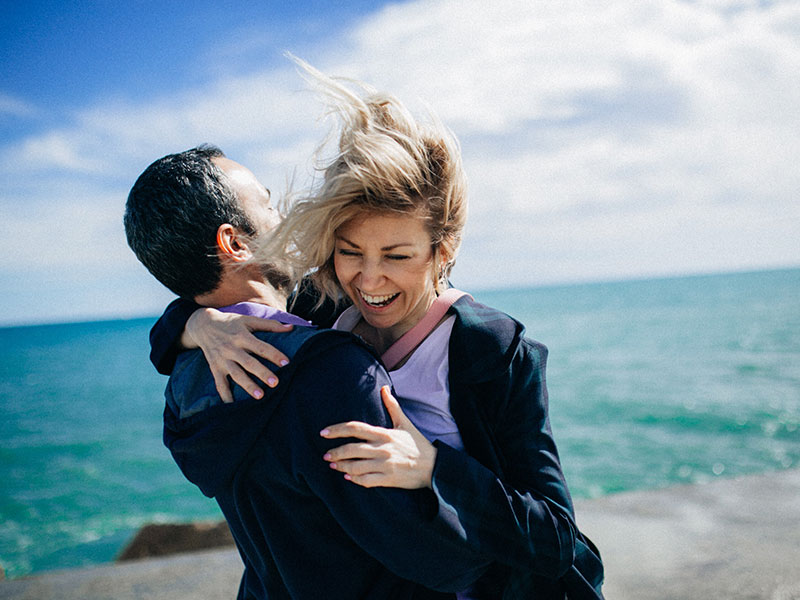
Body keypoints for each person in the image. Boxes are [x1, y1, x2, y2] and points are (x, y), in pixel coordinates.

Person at [149, 63, 605, 599]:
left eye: (397, 255)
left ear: (443, 251)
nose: (369, 279)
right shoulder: (322, 309)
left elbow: (555, 539)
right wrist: (198, 322)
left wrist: (434, 467)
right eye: (349, 253)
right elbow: (199, 313)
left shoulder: (493, 350)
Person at [124, 145, 490, 599]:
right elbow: (440, 558)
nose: (287, 218)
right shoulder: (326, 371)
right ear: (234, 243)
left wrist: (193, 320)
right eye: (269, 204)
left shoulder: (186, 380)